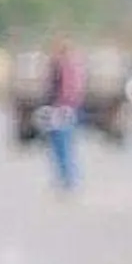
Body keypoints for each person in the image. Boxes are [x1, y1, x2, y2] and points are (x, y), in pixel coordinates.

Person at [43, 36, 86, 193]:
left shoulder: (63, 66)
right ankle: (68, 178)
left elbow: (61, 90)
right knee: (65, 144)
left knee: (61, 144)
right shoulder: (75, 66)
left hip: (61, 108)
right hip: (68, 108)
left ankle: (67, 178)